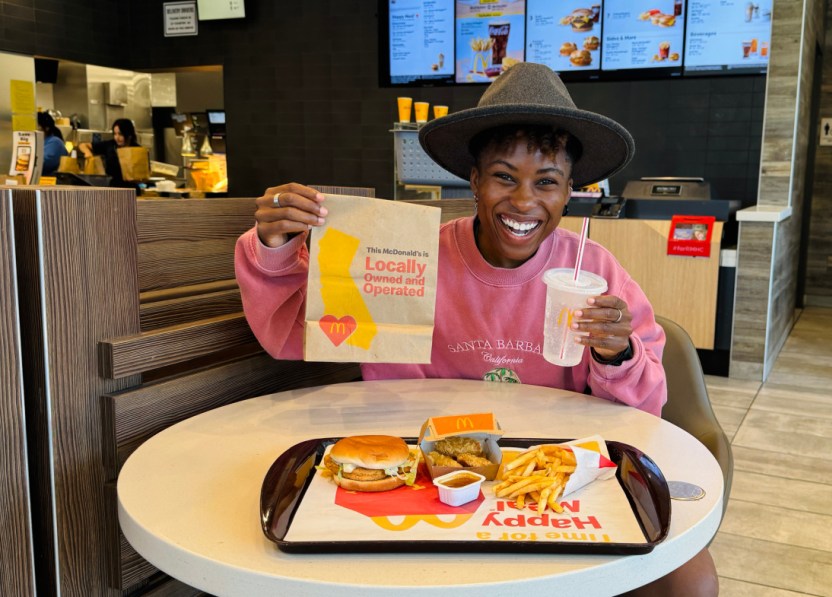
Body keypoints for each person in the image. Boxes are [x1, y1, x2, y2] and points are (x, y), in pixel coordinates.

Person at [234, 63, 718, 596]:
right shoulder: (407, 255)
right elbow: (288, 334)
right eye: (504, 176)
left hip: (545, 477)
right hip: (421, 473)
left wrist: (615, 353)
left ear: (570, 193)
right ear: (474, 181)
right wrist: (276, 246)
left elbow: (646, 408)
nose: (524, 201)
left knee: (690, 581)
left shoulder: (595, 271)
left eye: (547, 182)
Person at [77, 118, 141, 187]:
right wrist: (88, 153)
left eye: (120, 134)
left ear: (129, 135)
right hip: (113, 188)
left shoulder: (138, 150)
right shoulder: (110, 145)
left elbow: (143, 174)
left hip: (132, 189)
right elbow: (83, 145)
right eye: (115, 134)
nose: (117, 138)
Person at [37, 111, 67, 176]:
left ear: (47, 128)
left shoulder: (55, 142)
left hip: (49, 183)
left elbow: (42, 163)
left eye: (37, 126)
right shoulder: (39, 143)